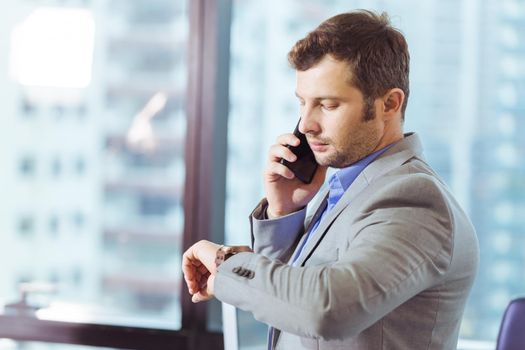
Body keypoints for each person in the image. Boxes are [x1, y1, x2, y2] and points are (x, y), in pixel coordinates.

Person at [182, 10, 479, 350]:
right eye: (303, 103)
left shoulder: (413, 200)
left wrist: (225, 264)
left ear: (389, 104)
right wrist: (283, 215)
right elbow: (290, 304)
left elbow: (327, 308)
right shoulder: (348, 187)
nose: (306, 124)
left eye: (328, 104)